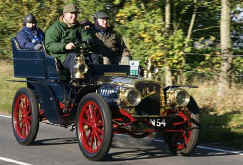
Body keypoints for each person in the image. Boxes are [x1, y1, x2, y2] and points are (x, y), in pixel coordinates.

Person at [45, 3, 91, 76]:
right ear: (65, 14)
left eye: (76, 13)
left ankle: (99, 82)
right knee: (75, 59)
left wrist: (88, 40)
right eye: (71, 13)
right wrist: (65, 46)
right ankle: (77, 83)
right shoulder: (55, 28)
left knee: (93, 57)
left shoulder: (78, 26)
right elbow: (49, 45)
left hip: (77, 52)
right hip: (61, 56)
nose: (74, 16)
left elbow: (86, 36)